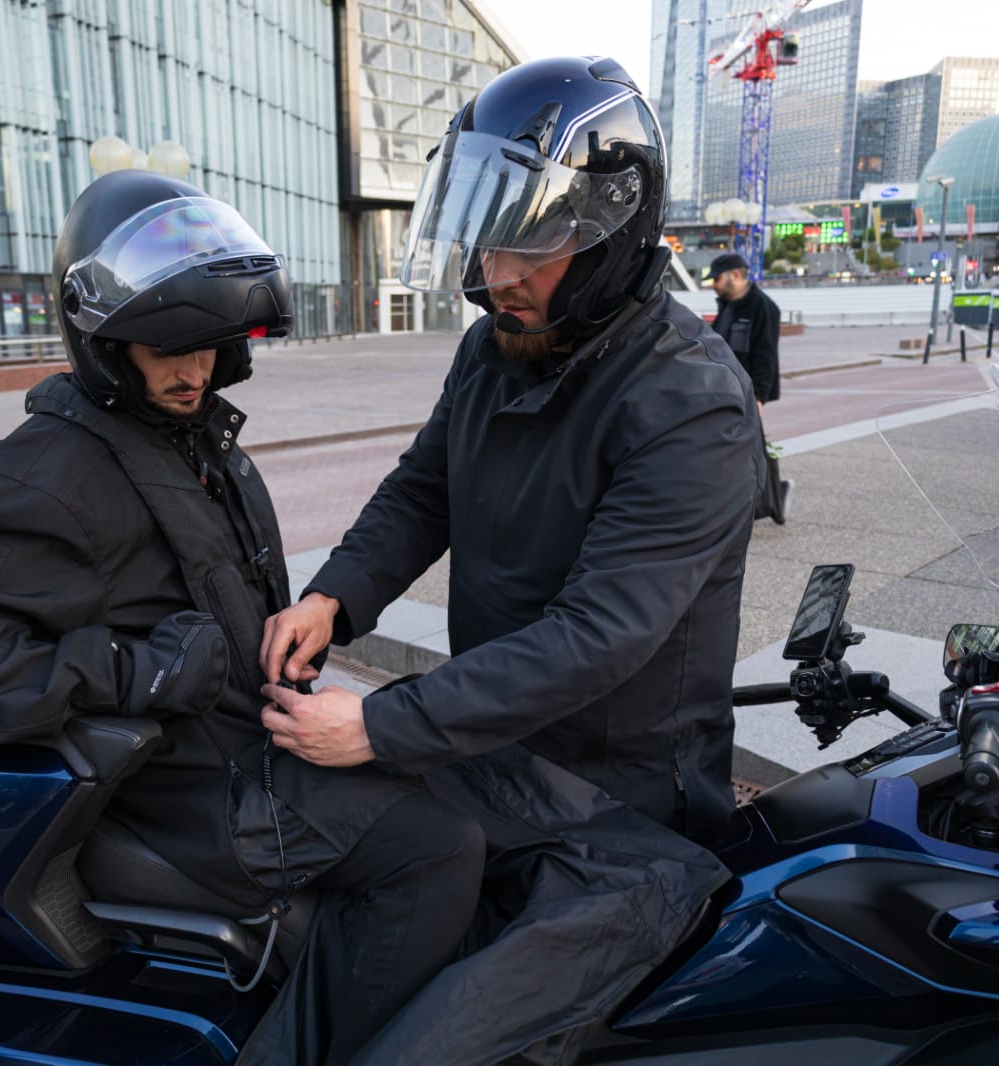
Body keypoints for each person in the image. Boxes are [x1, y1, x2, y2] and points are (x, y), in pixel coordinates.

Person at [0, 170, 486, 1066]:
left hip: (248, 744)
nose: (193, 369)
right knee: (437, 854)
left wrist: (282, 637)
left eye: (207, 344)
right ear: (103, 339)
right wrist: (137, 672)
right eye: (166, 348)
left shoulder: (189, 436)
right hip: (185, 792)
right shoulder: (48, 470)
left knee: (469, 780)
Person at [255, 56, 747, 1061]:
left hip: (617, 798)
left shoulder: (687, 403)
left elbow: (598, 635)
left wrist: (385, 723)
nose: (499, 274)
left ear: (615, 236)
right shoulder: (495, 344)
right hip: (494, 752)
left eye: (535, 243)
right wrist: (335, 598)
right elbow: (421, 489)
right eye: (486, 239)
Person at [708, 251, 790, 524]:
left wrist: (759, 398)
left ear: (734, 275)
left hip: (747, 393)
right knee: (742, 449)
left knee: (750, 451)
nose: (713, 284)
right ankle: (768, 498)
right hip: (724, 389)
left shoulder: (763, 307)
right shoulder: (728, 305)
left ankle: (773, 498)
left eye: (717, 278)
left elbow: (765, 355)